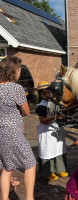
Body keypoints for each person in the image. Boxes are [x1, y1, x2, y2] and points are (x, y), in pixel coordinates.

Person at [0, 56, 36, 200]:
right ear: (14, 71)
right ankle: (29, 198)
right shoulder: (16, 88)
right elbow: (26, 111)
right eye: (19, 69)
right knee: (30, 163)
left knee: (8, 166)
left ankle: (4, 198)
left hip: (0, 132)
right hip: (13, 131)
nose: (20, 71)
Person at [36, 81, 68, 181]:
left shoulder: (55, 102)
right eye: (44, 93)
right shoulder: (41, 105)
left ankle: (60, 169)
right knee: (48, 150)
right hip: (47, 131)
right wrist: (54, 117)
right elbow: (42, 120)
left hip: (56, 130)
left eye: (48, 92)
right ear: (41, 94)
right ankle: (47, 172)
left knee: (58, 149)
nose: (47, 95)